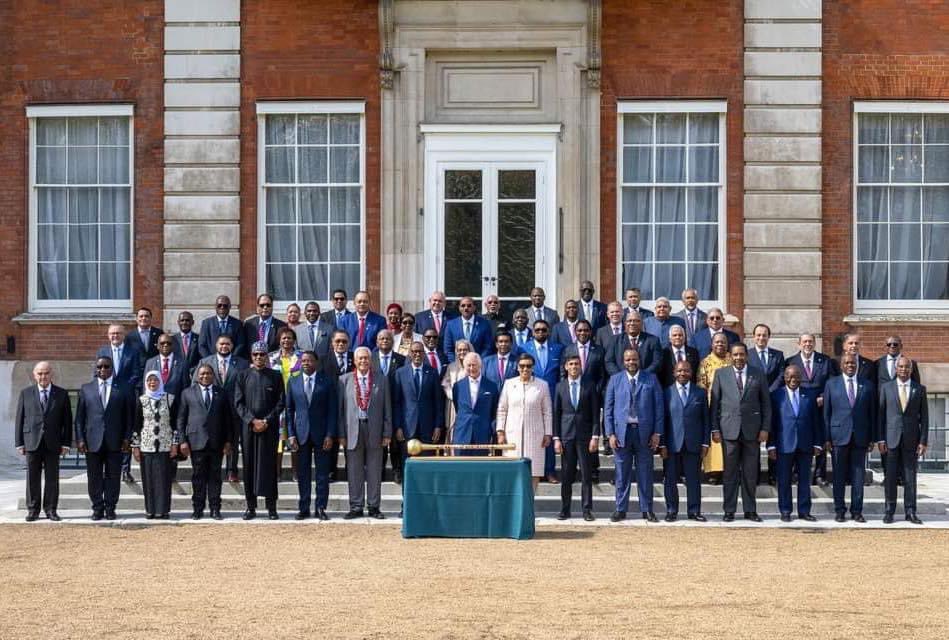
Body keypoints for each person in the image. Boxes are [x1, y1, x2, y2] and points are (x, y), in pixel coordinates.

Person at [711, 343, 771, 522]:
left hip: (752, 432)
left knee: (750, 473)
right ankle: (729, 510)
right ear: (731, 356)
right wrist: (715, 428)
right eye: (735, 355)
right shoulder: (721, 374)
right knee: (729, 473)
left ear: (747, 356)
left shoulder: (757, 373)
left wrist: (765, 429)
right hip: (728, 431)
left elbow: (766, 404)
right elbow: (714, 404)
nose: (739, 358)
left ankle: (750, 510)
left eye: (742, 355)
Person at [604, 349, 664, 522]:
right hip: (622, 433)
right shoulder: (615, 380)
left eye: (634, 359)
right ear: (623, 361)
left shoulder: (651, 379)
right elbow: (608, 409)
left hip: (644, 433)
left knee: (645, 473)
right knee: (622, 474)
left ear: (639, 360)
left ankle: (647, 509)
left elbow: (659, 408)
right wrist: (610, 434)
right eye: (628, 359)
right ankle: (620, 509)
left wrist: (657, 433)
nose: (631, 362)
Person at [74, 357, 133, 520]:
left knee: (113, 476)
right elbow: (79, 418)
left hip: (115, 441)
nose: (103, 370)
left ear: (112, 369)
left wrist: (127, 438)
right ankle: (97, 507)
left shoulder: (122, 389)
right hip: (92, 441)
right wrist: (80, 439)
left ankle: (110, 507)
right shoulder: (86, 389)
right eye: (99, 367)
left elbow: (128, 418)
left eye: (106, 366)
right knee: (94, 477)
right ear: (96, 369)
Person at [338, 346, 392, 519]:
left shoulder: (381, 380)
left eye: (366, 358)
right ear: (354, 361)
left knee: (375, 469)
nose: (363, 361)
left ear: (371, 360)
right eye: (360, 358)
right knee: (354, 470)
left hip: (374, 429)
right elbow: (340, 411)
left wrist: (387, 432)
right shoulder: (344, 380)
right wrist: (341, 434)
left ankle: (374, 506)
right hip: (352, 430)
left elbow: (387, 409)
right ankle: (356, 506)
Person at [234, 341, 286, 520]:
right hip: (249, 429)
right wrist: (252, 420)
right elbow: (238, 403)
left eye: (262, 354)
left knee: (270, 467)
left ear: (266, 356)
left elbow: (281, 402)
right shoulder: (242, 376)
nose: (258, 358)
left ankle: (271, 507)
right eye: (255, 354)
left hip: (269, 428)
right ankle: (251, 507)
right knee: (249, 467)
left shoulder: (276, 376)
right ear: (251, 356)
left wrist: (266, 420)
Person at [15, 361, 72, 522]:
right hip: (32, 441)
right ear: (34, 375)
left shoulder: (61, 394)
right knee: (32, 478)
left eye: (46, 373)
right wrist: (19, 442)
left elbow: (67, 421)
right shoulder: (26, 393)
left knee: (52, 478)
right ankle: (33, 510)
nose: (43, 376)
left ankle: (51, 509)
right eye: (39, 373)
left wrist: (66, 443)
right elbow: (20, 419)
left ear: (51, 374)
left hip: (53, 443)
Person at [823, 354, 876, 523]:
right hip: (838, 437)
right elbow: (827, 413)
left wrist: (872, 438)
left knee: (858, 477)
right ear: (841, 365)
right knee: (838, 476)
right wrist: (827, 438)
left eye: (853, 363)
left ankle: (857, 511)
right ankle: (839, 510)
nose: (850, 365)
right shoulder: (831, 384)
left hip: (860, 437)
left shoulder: (867, 385)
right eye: (847, 363)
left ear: (857, 365)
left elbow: (872, 414)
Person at [178, 364, 235, 520]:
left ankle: (215, 508)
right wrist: (182, 441)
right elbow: (181, 419)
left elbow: (228, 419)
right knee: (198, 477)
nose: (205, 376)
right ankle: (198, 509)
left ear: (213, 375)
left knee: (215, 477)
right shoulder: (187, 393)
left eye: (208, 373)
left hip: (217, 441)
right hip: (196, 441)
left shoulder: (221, 393)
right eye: (202, 374)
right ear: (197, 376)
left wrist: (229, 441)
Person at [285, 351, 337, 520]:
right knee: (303, 474)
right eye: (303, 360)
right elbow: (289, 410)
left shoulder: (327, 382)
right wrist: (290, 434)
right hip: (300, 434)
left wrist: (330, 434)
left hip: (322, 435)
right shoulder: (293, 382)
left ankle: (321, 507)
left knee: (322, 474)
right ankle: (304, 507)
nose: (306, 363)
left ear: (316, 362)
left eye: (309, 360)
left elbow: (332, 411)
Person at [767, 366, 822, 522]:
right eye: (790, 377)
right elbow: (772, 423)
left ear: (801, 377)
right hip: (784, 444)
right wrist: (771, 445)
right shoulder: (776, 396)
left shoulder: (809, 395)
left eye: (796, 377)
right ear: (785, 377)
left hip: (805, 444)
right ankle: (785, 510)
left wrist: (817, 443)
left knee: (805, 480)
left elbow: (816, 421)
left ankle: (804, 511)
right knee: (784, 480)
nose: (793, 380)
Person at [878, 356, 928, 524]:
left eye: (907, 367)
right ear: (896, 369)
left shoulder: (919, 389)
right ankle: (889, 510)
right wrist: (880, 439)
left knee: (910, 477)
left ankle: (910, 511)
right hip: (891, 439)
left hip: (911, 440)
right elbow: (881, 416)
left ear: (911, 369)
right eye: (900, 367)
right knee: (890, 477)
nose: (903, 370)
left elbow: (925, 418)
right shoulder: (886, 388)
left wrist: (923, 441)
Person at [785, 332, 838, 486]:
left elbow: (832, 382)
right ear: (799, 344)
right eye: (805, 342)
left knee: (819, 439)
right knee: (798, 437)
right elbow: (787, 383)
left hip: (819, 406)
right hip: (799, 406)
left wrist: (824, 396)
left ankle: (820, 475)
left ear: (814, 343)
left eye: (810, 342)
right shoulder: (790, 361)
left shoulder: (825, 361)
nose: (808, 344)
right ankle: (795, 473)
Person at [195, 334, 248, 483]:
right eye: (221, 344)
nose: (224, 347)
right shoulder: (205, 362)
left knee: (233, 438)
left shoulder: (242, 363)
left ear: (232, 346)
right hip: (212, 409)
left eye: (227, 344)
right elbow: (195, 384)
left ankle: (232, 470)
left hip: (234, 408)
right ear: (216, 346)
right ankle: (213, 469)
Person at [661, 360, 710, 521]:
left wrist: (705, 442)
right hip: (672, 443)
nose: (683, 373)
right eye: (679, 371)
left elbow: (706, 420)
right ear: (674, 372)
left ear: (691, 372)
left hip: (693, 443)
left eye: (686, 371)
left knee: (694, 479)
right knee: (670, 480)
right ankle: (671, 510)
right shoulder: (666, 392)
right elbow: (662, 420)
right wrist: (662, 444)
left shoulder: (700, 393)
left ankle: (694, 511)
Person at [496, 353, 553, 491]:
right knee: (512, 471)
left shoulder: (542, 385)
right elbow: (502, 409)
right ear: (517, 367)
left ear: (533, 368)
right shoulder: (509, 384)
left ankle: (530, 507)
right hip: (512, 435)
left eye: (528, 366)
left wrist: (548, 434)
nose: (525, 369)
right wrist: (500, 432)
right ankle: (513, 507)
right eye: (522, 366)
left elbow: (547, 411)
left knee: (533, 472)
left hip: (535, 436)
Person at [553, 354, 599, 520]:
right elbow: (556, 414)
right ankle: (565, 509)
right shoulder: (560, 387)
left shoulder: (589, 385)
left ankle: (586, 510)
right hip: (566, 437)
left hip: (585, 437)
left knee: (586, 475)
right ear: (566, 367)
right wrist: (556, 438)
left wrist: (595, 436)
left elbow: (595, 413)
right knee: (566, 475)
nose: (574, 367)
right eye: (571, 364)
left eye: (577, 364)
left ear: (581, 367)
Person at [392, 341, 445, 484]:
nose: (417, 354)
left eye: (420, 352)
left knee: (426, 465)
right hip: (407, 427)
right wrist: (398, 427)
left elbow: (438, 402)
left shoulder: (432, 372)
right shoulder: (400, 373)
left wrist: (438, 425)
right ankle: (407, 503)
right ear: (409, 353)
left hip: (428, 427)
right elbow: (397, 403)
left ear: (424, 354)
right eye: (414, 351)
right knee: (407, 467)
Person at [560, 320, 607, 480]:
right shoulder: (568, 349)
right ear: (575, 332)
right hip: (572, 397)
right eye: (579, 330)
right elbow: (562, 372)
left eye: (586, 330)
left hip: (590, 397)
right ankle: (571, 471)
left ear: (590, 332)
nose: (582, 333)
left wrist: (594, 391)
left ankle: (593, 470)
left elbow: (602, 375)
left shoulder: (599, 350)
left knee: (590, 434)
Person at [132, 371, 179, 520]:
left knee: (164, 479)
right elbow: (136, 425)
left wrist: (174, 444)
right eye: (150, 380)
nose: (153, 383)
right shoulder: (142, 400)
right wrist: (136, 446)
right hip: (147, 446)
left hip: (165, 445)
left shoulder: (170, 399)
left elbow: (176, 423)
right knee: (149, 479)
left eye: (155, 380)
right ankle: (150, 510)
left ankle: (163, 510)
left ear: (160, 381)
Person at [520, 319, 563, 483]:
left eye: (544, 330)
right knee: (533, 434)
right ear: (533, 332)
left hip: (552, 396)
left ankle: (550, 470)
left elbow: (560, 373)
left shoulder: (558, 349)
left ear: (548, 331)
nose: (540, 333)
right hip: (532, 395)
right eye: (537, 330)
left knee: (549, 433)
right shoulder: (524, 348)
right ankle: (532, 470)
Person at [320, 330, 355, 482]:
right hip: (330, 406)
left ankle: (352, 472)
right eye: (338, 341)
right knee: (332, 440)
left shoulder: (355, 358)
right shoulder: (322, 360)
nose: (341, 344)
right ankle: (330, 471)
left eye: (344, 341)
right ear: (332, 343)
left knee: (352, 440)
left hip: (352, 406)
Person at [269, 327, 303, 482]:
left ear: (294, 340)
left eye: (289, 338)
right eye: (284, 338)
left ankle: (296, 472)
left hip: (297, 402)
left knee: (295, 437)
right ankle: (276, 472)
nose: (286, 341)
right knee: (278, 441)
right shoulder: (271, 358)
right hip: (277, 402)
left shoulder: (302, 357)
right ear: (279, 340)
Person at [372, 330, 406, 483]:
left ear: (393, 341)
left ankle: (397, 471)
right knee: (378, 440)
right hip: (376, 406)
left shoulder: (401, 359)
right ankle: (378, 472)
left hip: (395, 403)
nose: (384, 341)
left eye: (387, 338)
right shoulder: (370, 359)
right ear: (377, 342)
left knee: (395, 442)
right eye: (381, 338)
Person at [450, 352, 500, 455]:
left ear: (480, 365)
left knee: (480, 467)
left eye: (474, 365)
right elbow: (458, 407)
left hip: (482, 434)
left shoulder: (491, 386)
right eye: (469, 365)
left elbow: (494, 410)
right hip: (462, 433)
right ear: (464, 366)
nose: (472, 368)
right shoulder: (458, 386)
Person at [697, 333, 730, 483]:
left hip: (731, 407)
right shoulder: (705, 363)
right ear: (712, 344)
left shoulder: (732, 360)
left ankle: (729, 470)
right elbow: (701, 385)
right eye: (717, 342)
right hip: (711, 406)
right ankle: (713, 472)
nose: (720, 345)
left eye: (723, 342)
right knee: (714, 440)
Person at [606, 311, 662, 376]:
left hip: (646, 381)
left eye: (636, 321)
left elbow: (657, 362)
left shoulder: (653, 340)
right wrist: (622, 377)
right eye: (629, 321)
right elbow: (609, 362)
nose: (632, 323)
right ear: (625, 323)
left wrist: (642, 376)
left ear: (641, 324)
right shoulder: (614, 340)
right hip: (621, 382)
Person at [444, 296, 493, 361]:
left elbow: (488, 347)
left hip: (477, 366)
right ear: (459, 308)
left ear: (474, 307)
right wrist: (457, 363)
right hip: (458, 367)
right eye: (463, 306)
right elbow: (448, 349)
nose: (466, 308)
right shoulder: (451, 325)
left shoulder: (484, 324)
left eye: (469, 306)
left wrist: (478, 361)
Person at [441, 340, 471, 435]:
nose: (462, 352)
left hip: (468, 403)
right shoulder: (451, 366)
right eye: (459, 350)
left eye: (465, 350)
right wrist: (453, 395)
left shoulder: (473, 366)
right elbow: (445, 383)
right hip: (453, 404)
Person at [746, 323, 785, 392]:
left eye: (764, 335)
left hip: (773, 394)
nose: (761, 338)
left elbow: (781, 375)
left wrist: (771, 390)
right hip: (754, 395)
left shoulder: (778, 355)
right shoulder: (747, 355)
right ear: (754, 336)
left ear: (768, 337)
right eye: (758, 335)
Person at [171, 311, 201, 377]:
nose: (184, 323)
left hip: (194, 376)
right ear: (178, 322)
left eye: (187, 320)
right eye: (182, 320)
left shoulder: (199, 339)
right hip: (176, 376)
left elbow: (202, 358)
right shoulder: (172, 340)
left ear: (192, 322)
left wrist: (194, 371)